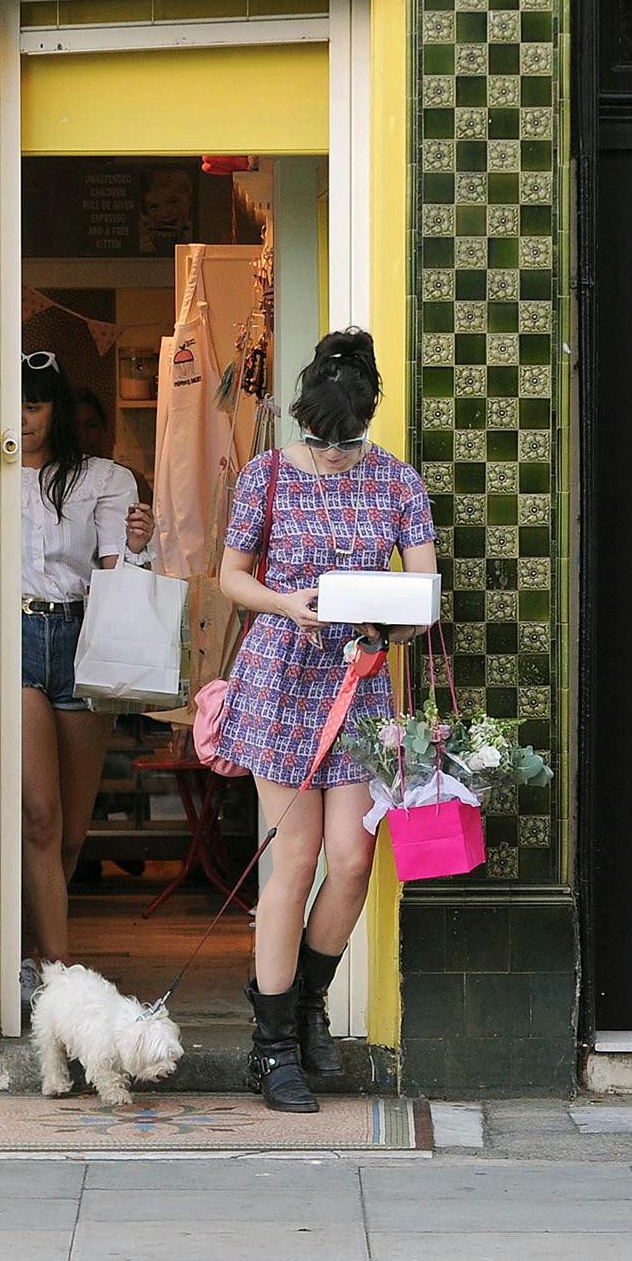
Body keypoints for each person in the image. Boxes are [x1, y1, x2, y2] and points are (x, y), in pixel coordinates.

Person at [214, 328, 437, 1113]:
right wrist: (287, 603)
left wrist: (388, 628)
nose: (334, 456)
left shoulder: (399, 483)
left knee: (353, 860)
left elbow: (423, 592)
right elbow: (231, 577)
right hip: (283, 676)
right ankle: (273, 1048)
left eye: (347, 444)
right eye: (321, 441)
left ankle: (307, 1009)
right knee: (296, 860)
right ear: (302, 420)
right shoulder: (265, 475)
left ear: (368, 422)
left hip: (360, 682)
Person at [19, 352, 154, 995]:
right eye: (15, 403)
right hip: (10, 635)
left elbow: (114, 570)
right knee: (39, 816)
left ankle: (26, 950)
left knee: (71, 829)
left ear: (58, 410)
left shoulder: (102, 478)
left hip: (81, 632)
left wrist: (138, 544)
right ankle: (56, 977)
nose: (23, 418)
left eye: (35, 404)